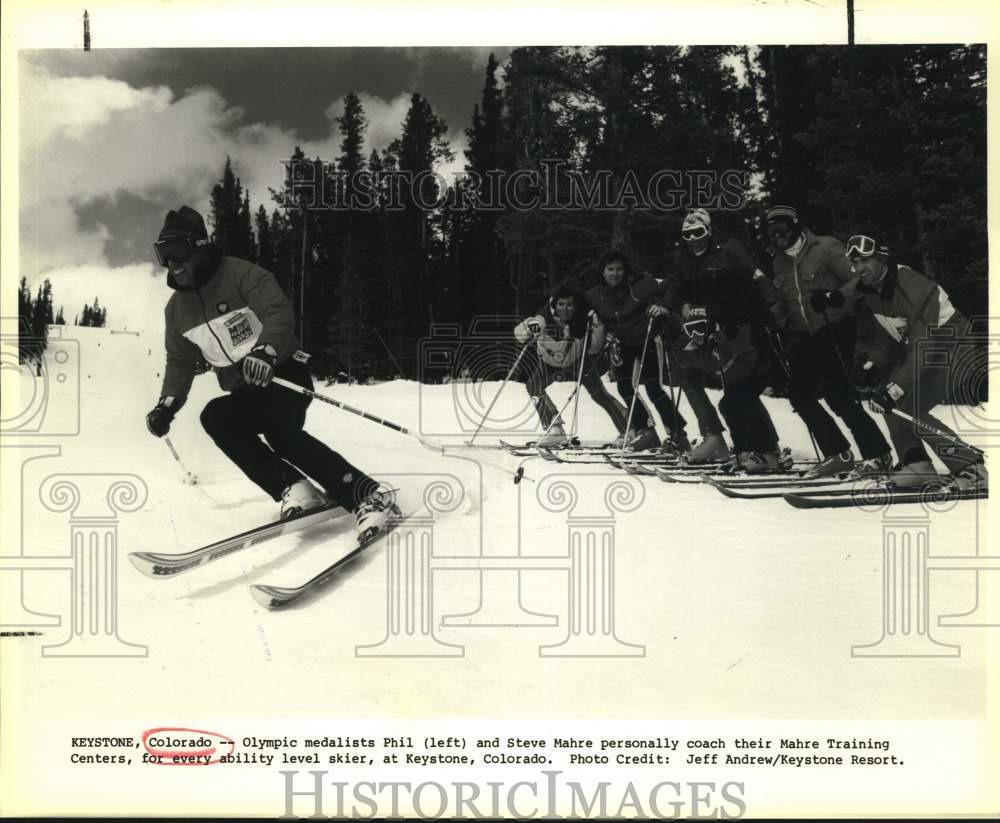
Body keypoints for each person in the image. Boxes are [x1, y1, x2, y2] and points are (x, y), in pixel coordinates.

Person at [144, 205, 400, 541]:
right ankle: (293, 488)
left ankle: (367, 495)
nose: (171, 264)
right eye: (162, 254)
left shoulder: (240, 275)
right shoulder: (176, 310)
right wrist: (167, 404)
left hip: (282, 371)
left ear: (199, 247)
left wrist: (266, 351)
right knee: (216, 416)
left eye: (176, 251)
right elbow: (179, 361)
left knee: (281, 433)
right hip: (245, 390)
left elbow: (277, 311)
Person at [847, 232, 987, 490]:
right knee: (891, 401)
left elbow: (926, 343)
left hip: (955, 348)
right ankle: (917, 465)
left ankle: (971, 467)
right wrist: (874, 363)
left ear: (881, 259)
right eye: (854, 263)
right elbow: (887, 332)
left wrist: (896, 386)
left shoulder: (911, 285)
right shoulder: (873, 291)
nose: (858, 269)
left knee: (907, 405)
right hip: (926, 351)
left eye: (864, 261)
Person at [764, 205, 893, 479]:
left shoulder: (825, 248)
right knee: (799, 394)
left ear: (796, 226)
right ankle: (838, 453)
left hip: (836, 326)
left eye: (782, 230)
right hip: (806, 334)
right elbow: (787, 303)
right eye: (771, 232)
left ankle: (877, 454)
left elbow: (860, 279)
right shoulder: (778, 262)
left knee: (838, 394)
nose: (777, 237)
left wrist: (835, 297)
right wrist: (770, 317)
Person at [657, 209, 782, 470]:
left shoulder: (729, 250)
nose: (693, 240)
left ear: (709, 231)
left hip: (740, 327)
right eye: (687, 235)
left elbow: (755, 278)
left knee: (737, 390)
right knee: (695, 374)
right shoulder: (684, 260)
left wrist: (773, 309)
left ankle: (765, 448)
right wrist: (666, 308)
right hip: (709, 330)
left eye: (698, 233)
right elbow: (675, 285)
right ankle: (726, 442)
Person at [586, 248, 690, 452]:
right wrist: (602, 328)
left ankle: (679, 434)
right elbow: (588, 309)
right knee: (624, 387)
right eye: (610, 269)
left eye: (619, 269)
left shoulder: (640, 287)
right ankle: (646, 432)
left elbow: (670, 284)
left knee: (653, 389)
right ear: (602, 272)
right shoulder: (596, 295)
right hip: (624, 343)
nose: (615, 274)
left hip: (648, 339)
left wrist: (664, 308)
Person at [513, 285, 629, 447]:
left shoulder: (583, 318)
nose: (565, 309)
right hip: (549, 363)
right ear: (554, 305)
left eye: (569, 305)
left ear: (576, 306)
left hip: (578, 361)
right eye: (561, 304)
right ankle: (555, 430)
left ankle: (628, 429)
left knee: (598, 394)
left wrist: (598, 328)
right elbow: (520, 334)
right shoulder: (544, 316)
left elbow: (595, 348)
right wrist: (528, 329)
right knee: (533, 386)